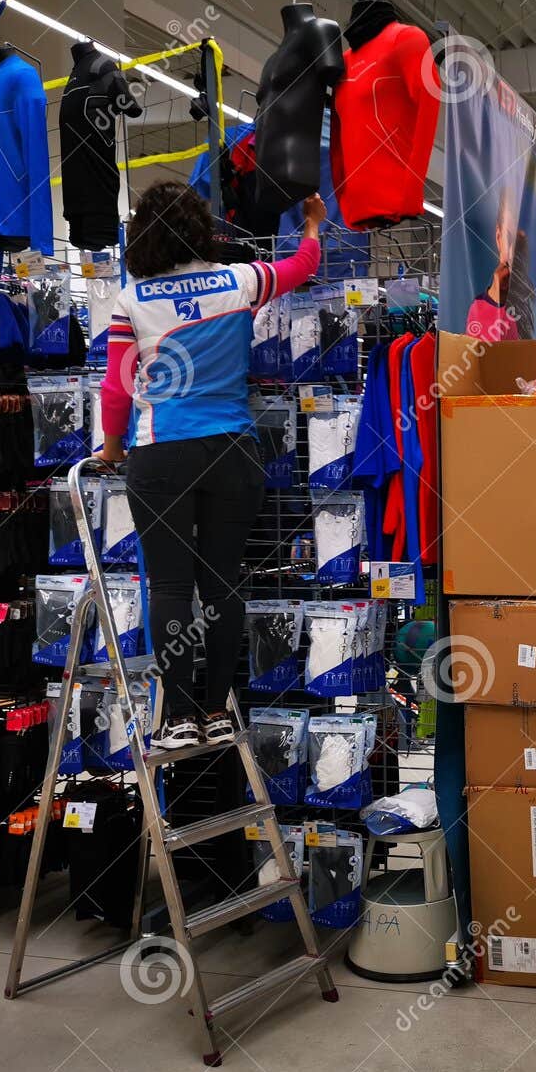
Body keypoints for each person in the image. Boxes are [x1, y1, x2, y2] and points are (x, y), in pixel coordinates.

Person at [101, 182, 324, 749]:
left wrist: (110, 447)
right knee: (223, 584)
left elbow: (116, 388)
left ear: (143, 237)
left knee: (172, 586)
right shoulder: (241, 279)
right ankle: (220, 711)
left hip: (162, 452)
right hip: (233, 449)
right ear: (202, 231)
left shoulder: (134, 300)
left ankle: (178, 717)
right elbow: (302, 264)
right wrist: (314, 224)